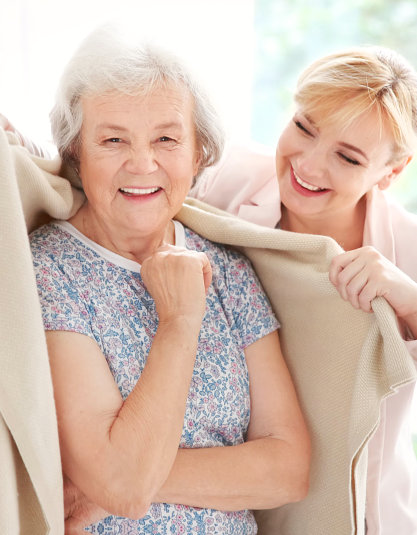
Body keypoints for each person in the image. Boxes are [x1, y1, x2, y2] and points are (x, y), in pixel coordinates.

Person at [27, 27, 310, 534]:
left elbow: (289, 470)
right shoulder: (50, 270)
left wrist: (124, 482)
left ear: (199, 152)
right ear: (75, 151)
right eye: (113, 140)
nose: (142, 163)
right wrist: (179, 320)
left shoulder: (227, 268)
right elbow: (123, 485)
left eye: (166, 138)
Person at [191, 47, 417, 534]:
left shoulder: (409, 248)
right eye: (304, 127)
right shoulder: (229, 177)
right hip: (241, 495)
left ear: (391, 173)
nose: (309, 166)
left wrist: (409, 298)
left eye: (347, 157)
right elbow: (121, 172)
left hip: (363, 513)